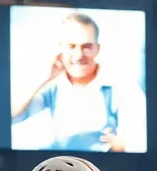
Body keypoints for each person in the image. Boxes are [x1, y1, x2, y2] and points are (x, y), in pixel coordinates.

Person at [11, 12, 147, 153]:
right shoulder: (53, 86)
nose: (79, 55)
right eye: (71, 46)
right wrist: (43, 78)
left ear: (97, 49)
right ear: (61, 49)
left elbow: (142, 138)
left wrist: (124, 146)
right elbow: (11, 117)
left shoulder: (120, 85)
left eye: (87, 46)